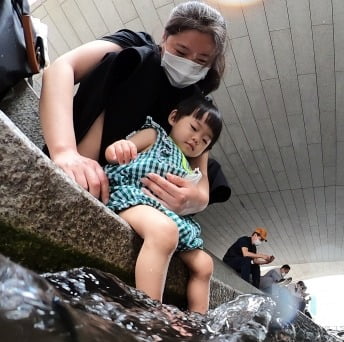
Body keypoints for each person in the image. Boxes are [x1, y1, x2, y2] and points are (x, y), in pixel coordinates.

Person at [39, 1, 230, 216]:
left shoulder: (198, 100)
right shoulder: (137, 45)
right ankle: (85, 163)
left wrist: (198, 199)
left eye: (202, 60)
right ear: (165, 37)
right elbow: (61, 68)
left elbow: (201, 170)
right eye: (181, 51)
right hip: (84, 155)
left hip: (132, 187)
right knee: (140, 61)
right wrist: (65, 152)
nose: (189, 63)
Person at [103, 94, 222, 314]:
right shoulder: (154, 135)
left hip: (171, 216)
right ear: (174, 117)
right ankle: (150, 315)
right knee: (165, 232)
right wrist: (119, 148)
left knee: (205, 265)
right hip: (133, 197)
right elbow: (113, 153)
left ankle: (197, 323)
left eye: (205, 140)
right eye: (194, 128)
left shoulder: (190, 168)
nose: (197, 139)